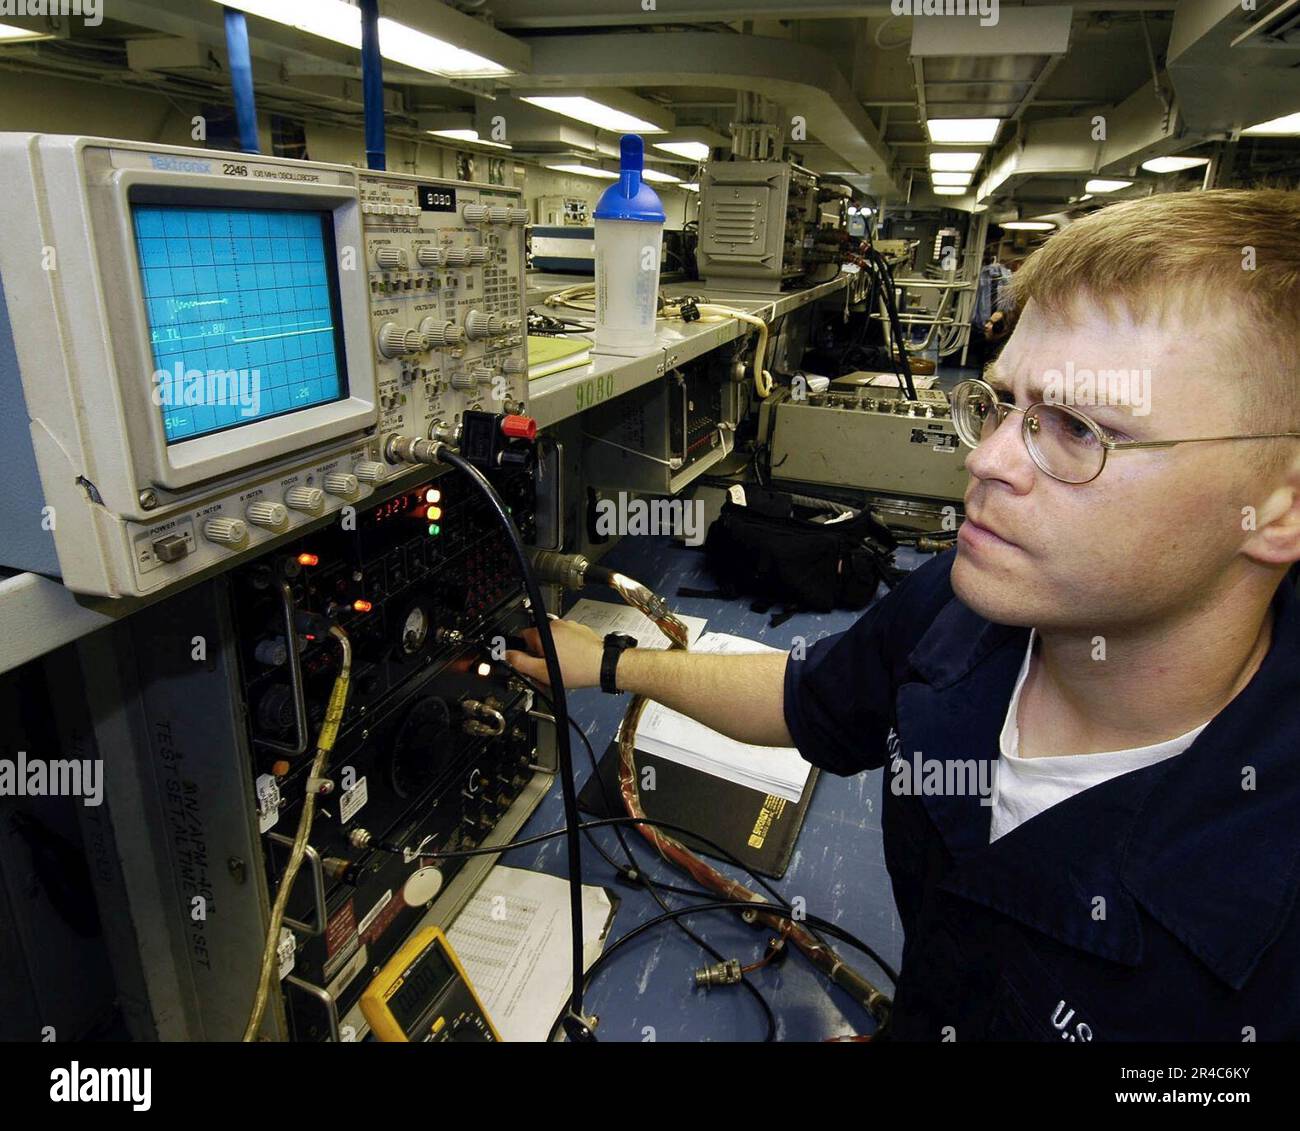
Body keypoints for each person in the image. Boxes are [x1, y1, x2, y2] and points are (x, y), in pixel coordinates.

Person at [506, 188, 1300, 1040]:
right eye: (1000, 407)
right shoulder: (972, 602)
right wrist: (610, 664)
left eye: (1076, 426)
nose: (987, 460)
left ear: (1279, 509)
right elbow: (807, 697)